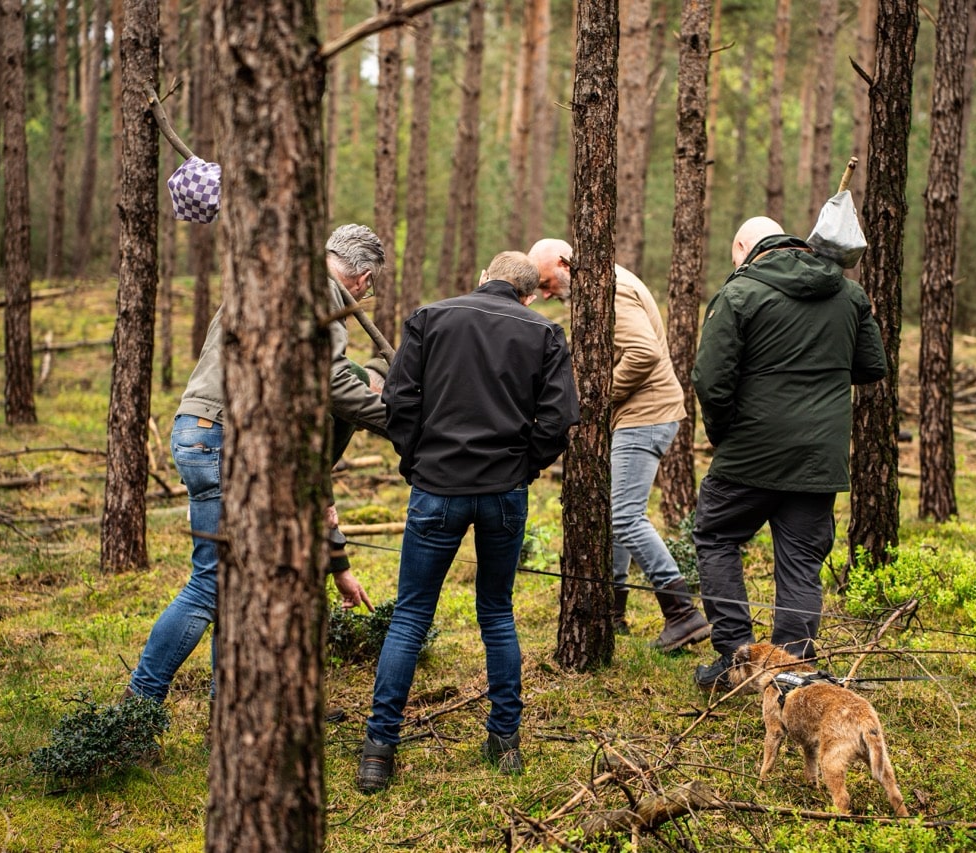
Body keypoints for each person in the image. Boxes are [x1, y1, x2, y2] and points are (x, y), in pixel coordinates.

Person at [125, 223, 388, 704]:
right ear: (364, 278)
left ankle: (230, 713)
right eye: (368, 286)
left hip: (201, 429)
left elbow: (301, 419)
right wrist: (400, 422)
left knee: (235, 586)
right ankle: (138, 703)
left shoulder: (273, 280)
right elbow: (332, 385)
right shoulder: (321, 294)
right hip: (223, 437)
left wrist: (332, 544)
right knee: (213, 583)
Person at [357, 251, 579, 793]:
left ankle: (378, 751)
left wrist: (416, 462)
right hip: (503, 491)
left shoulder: (429, 318)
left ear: (482, 276)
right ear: (528, 294)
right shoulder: (544, 334)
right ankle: (505, 741)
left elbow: (397, 401)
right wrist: (522, 467)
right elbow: (557, 420)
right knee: (497, 614)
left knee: (410, 617)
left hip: (437, 488)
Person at [690, 216, 888, 691]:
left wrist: (723, 436)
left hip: (749, 455)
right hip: (818, 460)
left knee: (716, 538)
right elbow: (872, 365)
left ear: (744, 247)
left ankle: (739, 659)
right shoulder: (850, 294)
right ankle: (792, 671)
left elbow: (709, 380)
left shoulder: (739, 295)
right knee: (800, 561)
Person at [527, 239, 711, 652]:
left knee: (625, 517)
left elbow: (643, 354)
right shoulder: (602, 285)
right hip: (638, 416)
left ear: (563, 262)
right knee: (616, 513)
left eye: (545, 282)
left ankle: (682, 613)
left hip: (645, 416)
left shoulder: (613, 288)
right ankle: (613, 610)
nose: (544, 294)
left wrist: (595, 397)